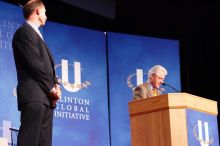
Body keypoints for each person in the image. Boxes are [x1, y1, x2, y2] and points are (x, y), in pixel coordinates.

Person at [12, 0, 61, 146]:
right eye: (45, 11)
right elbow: (35, 64)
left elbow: (46, 66)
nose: (46, 15)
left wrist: (56, 85)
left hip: (46, 99)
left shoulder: (37, 35)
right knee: (29, 141)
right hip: (34, 97)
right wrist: (50, 87)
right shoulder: (24, 32)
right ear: (38, 11)